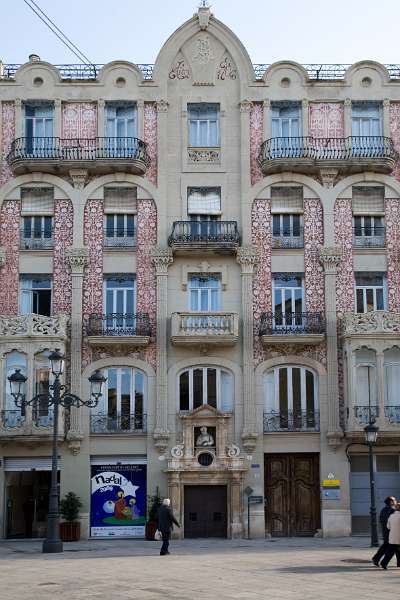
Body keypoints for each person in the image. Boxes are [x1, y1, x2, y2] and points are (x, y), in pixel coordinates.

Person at [372, 496, 400, 568]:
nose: (396, 501)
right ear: (391, 502)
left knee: (391, 547)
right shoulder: (392, 510)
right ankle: (378, 560)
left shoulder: (383, 510)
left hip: (387, 531)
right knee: (391, 547)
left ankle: (377, 559)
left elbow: (382, 520)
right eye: (394, 500)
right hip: (391, 532)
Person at [380, 502, 400, 569]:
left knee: (391, 551)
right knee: (394, 551)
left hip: (392, 537)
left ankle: (384, 563)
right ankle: (384, 563)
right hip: (399, 537)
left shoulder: (391, 516)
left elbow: (388, 527)